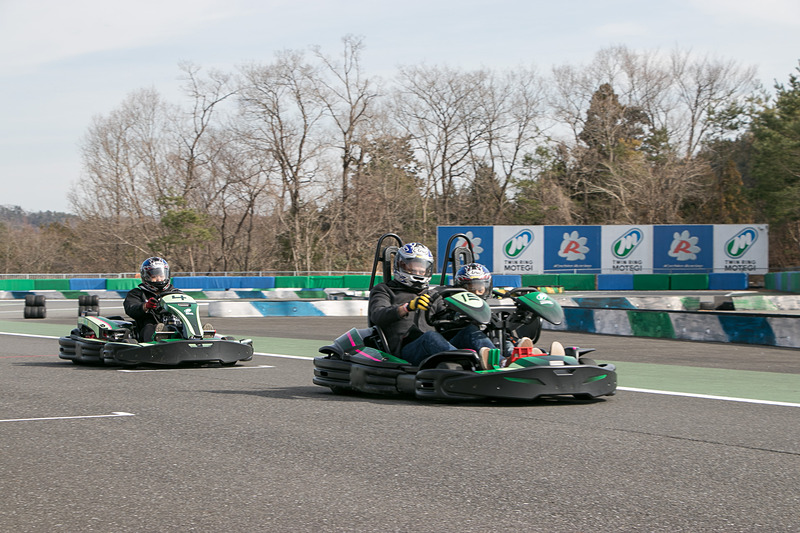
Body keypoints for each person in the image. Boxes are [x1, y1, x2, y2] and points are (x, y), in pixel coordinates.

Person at [368, 243, 496, 367]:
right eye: (413, 267)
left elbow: (446, 318)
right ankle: (468, 363)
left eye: (422, 268)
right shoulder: (384, 290)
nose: (418, 271)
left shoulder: (432, 294)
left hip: (434, 347)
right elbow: (377, 315)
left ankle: (500, 362)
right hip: (404, 351)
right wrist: (408, 307)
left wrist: (466, 316)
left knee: (470, 331)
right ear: (401, 265)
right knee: (430, 336)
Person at [123, 256, 181, 341]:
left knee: (182, 326)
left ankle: (200, 335)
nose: (159, 279)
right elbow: (131, 308)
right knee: (150, 327)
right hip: (147, 328)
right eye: (155, 276)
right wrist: (145, 306)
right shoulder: (137, 293)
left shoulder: (175, 293)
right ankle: (159, 336)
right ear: (146, 277)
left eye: (161, 276)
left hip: (175, 325)